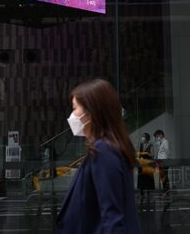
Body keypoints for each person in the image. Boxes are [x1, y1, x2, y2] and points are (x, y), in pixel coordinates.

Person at [56, 78, 141, 233]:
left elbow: (112, 216)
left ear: (90, 113)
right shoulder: (107, 148)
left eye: (75, 108)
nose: (72, 115)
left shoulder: (104, 151)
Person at [136, 133, 155, 199]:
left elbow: (152, 155)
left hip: (148, 164)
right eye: (142, 136)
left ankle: (148, 193)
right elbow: (139, 154)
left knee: (148, 178)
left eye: (143, 137)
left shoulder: (151, 145)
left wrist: (147, 154)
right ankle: (141, 193)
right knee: (141, 178)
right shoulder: (141, 145)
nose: (142, 138)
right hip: (141, 164)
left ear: (147, 138)